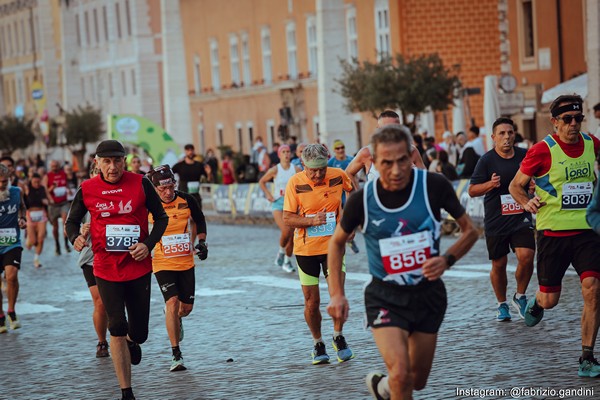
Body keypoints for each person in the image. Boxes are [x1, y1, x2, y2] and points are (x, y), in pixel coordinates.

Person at [326, 125, 478, 399]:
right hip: (385, 296)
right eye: (386, 162)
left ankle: (383, 387)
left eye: (401, 161)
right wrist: (337, 295)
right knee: (400, 373)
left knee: (416, 380)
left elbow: (470, 231)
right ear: (373, 162)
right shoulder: (362, 200)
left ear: (411, 157)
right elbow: (336, 243)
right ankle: (392, 382)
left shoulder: (433, 186)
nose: (395, 170)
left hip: (427, 295)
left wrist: (447, 259)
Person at [66, 140, 168, 400]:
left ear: (124, 161)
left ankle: (134, 342)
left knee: (140, 333)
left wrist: (148, 244)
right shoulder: (87, 188)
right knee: (117, 326)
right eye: (107, 162)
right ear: (97, 163)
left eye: (117, 161)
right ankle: (126, 391)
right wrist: (75, 237)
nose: (113, 167)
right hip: (105, 267)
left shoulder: (141, 183)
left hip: (138, 266)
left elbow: (162, 218)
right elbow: (72, 221)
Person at [508, 94, 600, 378]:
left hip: (587, 231)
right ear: (555, 122)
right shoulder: (541, 150)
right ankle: (537, 301)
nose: (574, 125)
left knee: (593, 289)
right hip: (553, 233)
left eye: (578, 118)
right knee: (551, 300)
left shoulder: (592, 144)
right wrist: (527, 202)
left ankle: (587, 356)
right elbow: (515, 186)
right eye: (567, 120)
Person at [283, 144, 355, 365]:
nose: (317, 175)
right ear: (303, 165)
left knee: (337, 294)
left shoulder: (338, 176)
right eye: (313, 170)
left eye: (322, 169)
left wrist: (349, 223)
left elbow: (353, 192)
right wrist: (311, 221)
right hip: (306, 250)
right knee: (311, 302)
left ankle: (338, 336)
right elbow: (287, 218)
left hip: (333, 247)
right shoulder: (295, 183)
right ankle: (318, 343)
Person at [468, 117, 534, 321]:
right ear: (493, 137)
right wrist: (490, 184)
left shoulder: (524, 156)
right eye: (502, 133)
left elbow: (538, 178)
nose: (507, 137)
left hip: (520, 216)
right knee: (499, 264)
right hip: (497, 219)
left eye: (510, 133)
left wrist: (532, 186)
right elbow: (472, 190)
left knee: (527, 256)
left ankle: (520, 296)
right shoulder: (486, 160)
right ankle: (502, 304)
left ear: (515, 135)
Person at [146, 165, 208, 372]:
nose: (168, 192)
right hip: (162, 262)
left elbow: (199, 219)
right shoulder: (148, 205)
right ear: (154, 188)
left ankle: (176, 317)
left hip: (185, 261)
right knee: (172, 302)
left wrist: (202, 242)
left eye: (171, 186)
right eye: (163, 189)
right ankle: (176, 354)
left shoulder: (186, 200)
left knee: (185, 309)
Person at [345, 110, 425, 191]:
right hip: (377, 202)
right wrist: (359, 195)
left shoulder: (411, 150)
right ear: (378, 130)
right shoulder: (367, 153)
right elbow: (348, 173)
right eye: (386, 129)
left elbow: (425, 178)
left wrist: (414, 173)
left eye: (394, 129)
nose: (390, 133)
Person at [75, 165, 109, 358]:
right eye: (96, 173)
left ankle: (124, 335)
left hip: (114, 253)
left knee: (120, 300)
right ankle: (102, 342)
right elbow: (70, 224)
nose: (99, 176)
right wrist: (81, 231)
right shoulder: (84, 193)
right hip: (90, 256)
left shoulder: (116, 193)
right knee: (100, 303)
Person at [259, 145, 298, 273]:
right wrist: (268, 194)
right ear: (279, 155)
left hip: (291, 204)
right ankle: (281, 252)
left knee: (291, 236)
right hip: (278, 203)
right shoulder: (275, 169)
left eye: (288, 152)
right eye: (284, 152)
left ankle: (287, 261)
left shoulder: (296, 169)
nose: (286, 154)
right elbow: (262, 181)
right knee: (286, 230)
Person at [0, 164, 27, 333]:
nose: (1, 185)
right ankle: (0, 316)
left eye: (4, 181)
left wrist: (22, 218)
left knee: (11, 275)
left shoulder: (16, 192)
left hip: (12, 242)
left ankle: (11, 310)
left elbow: (22, 207)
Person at [43, 160, 72, 255]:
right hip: (53, 204)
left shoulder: (63, 174)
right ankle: (57, 246)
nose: (54, 167)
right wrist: (52, 188)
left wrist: (68, 190)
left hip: (64, 202)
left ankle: (66, 244)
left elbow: (67, 184)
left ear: (59, 166)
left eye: (56, 165)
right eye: (52, 166)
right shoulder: (47, 176)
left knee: (65, 223)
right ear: (50, 166)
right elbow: (45, 190)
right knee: (55, 227)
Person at [24, 173, 49, 268]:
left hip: (41, 214)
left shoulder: (42, 188)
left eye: (38, 182)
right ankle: (29, 240)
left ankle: (36, 259)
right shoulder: (27, 188)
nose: (37, 184)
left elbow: (46, 197)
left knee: (41, 238)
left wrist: (46, 201)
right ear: (31, 181)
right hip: (30, 215)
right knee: (34, 241)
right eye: (35, 182)